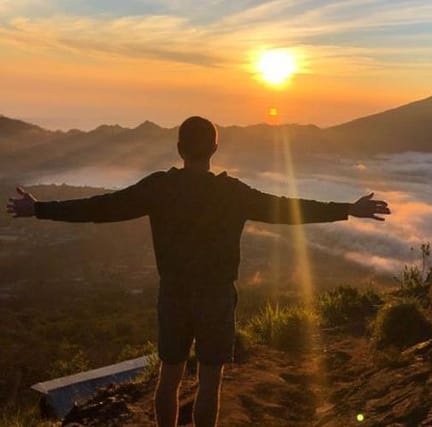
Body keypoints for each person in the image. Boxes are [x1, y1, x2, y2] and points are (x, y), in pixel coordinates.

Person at [6, 116, 391, 427]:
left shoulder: (160, 188)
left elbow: (100, 208)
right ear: (215, 150)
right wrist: (347, 209)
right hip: (216, 296)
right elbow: (289, 209)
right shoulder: (233, 193)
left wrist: (40, 209)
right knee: (210, 380)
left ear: (179, 149)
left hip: (173, 293)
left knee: (169, 377)